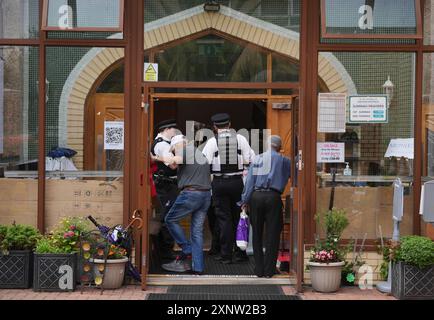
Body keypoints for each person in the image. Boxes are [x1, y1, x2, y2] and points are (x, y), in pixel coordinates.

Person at [153, 135, 212, 274]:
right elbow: (174, 165)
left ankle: (186, 248)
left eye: (174, 149)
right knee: (196, 232)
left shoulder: (185, 150)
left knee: (170, 219)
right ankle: (198, 267)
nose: (174, 152)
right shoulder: (198, 153)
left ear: (178, 145)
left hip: (192, 194)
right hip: (205, 195)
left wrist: (156, 158)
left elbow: (175, 160)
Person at [202, 113, 254, 264]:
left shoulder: (212, 142)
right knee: (239, 217)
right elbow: (250, 159)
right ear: (230, 125)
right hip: (237, 182)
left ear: (215, 127)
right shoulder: (241, 139)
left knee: (224, 219)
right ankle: (240, 253)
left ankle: (226, 255)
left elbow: (205, 163)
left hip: (219, 183)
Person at [238, 135, 291, 278]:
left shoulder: (257, 159)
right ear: (279, 147)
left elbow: (250, 182)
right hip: (274, 197)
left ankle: (259, 269)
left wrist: (244, 200)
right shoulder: (285, 161)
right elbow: (294, 176)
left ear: (268, 145)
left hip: (256, 197)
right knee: (273, 235)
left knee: (257, 233)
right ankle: (269, 270)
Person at [151, 119, 179, 261]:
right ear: (167, 129)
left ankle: (164, 249)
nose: (175, 132)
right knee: (168, 216)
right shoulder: (162, 144)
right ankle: (166, 251)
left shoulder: (163, 143)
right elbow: (173, 166)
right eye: (174, 129)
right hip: (166, 185)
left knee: (166, 216)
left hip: (166, 185)